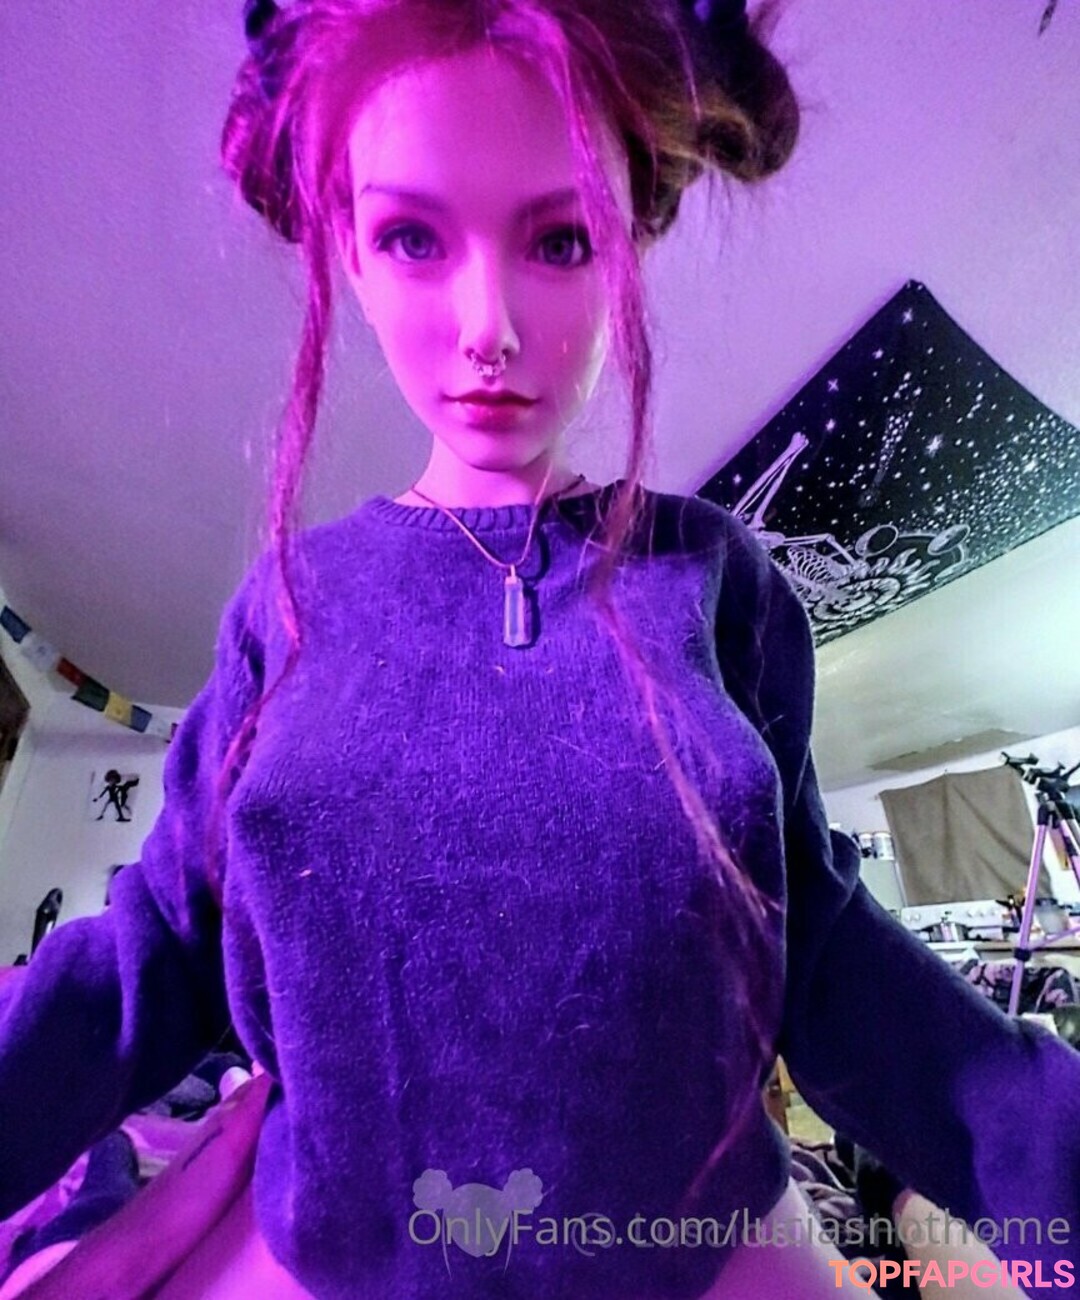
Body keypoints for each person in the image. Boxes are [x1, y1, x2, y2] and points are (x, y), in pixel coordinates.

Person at [2, 1, 1079, 1296]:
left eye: (561, 240)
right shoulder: (286, 610)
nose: (489, 327)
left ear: (629, 248)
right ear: (349, 251)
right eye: (412, 238)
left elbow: (831, 962)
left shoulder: (716, 586)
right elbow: (153, 959)